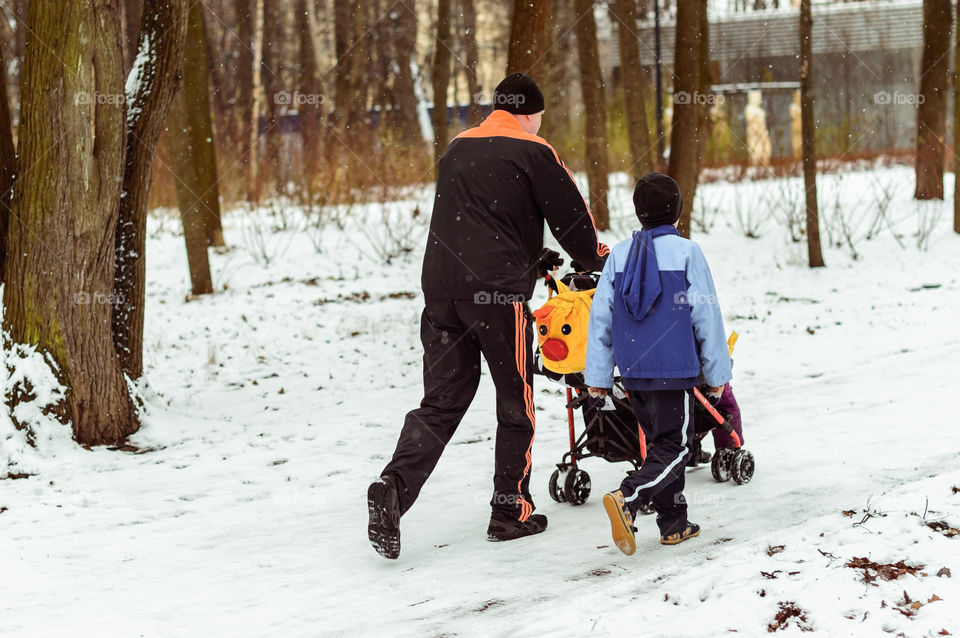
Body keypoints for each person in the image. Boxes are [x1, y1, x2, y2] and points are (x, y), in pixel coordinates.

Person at [368, 73, 609, 559]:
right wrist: (602, 261)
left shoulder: (457, 147)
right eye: (539, 116)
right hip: (498, 298)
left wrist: (527, 255)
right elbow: (576, 227)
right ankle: (509, 509)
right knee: (515, 399)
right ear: (529, 113)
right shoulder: (534, 149)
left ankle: (393, 487)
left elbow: (481, 220)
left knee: (441, 402)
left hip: (440, 290)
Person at [583, 172, 731, 556]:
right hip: (673, 368)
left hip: (632, 371)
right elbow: (707, 317)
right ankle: (628, 498)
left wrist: (597, 379)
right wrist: (717, 375)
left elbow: (600, 319)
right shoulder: (686, 253)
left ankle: (673, 524)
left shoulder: (619, 255)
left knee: (660, 447)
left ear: (639, 213)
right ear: (677, 212)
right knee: (678, 446)